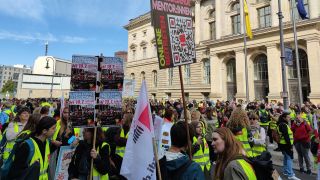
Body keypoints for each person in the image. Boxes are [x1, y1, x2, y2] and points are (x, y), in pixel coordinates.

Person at [277, 112, 300, 180]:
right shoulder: (283, 125)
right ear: (284, 118)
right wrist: (290, 146)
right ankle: (290, 175)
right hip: (286, 145)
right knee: (289, 158)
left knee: (286, 158)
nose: (289, 118)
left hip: (283, 144)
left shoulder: (281, 124)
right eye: (288, 117)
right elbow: (286, 136)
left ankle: (285, 171)